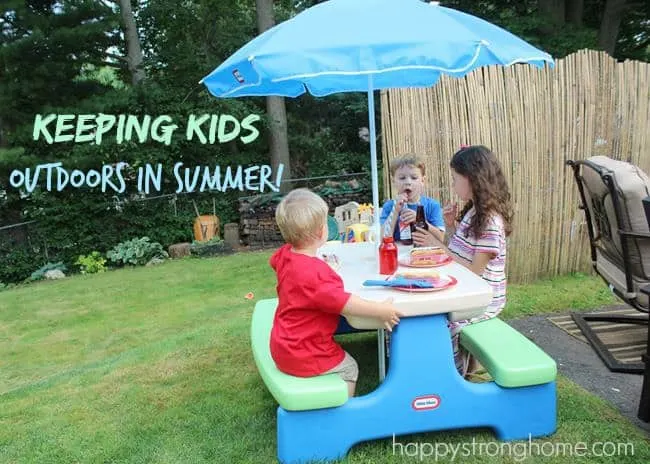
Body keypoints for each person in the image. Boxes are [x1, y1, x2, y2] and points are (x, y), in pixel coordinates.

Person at [270, 188, 403, 397]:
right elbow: (346, 304)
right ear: (321, 231)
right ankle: (343, 413)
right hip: (303, 351)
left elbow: (296, 275)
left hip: (283, 344)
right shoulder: (315, 273)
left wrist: (321, 271)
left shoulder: (285, 254)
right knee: (350, 368)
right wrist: (381, 310)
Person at [412, 145, 513, 377]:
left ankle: (455, 378)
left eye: (456, 179)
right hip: (465, 290)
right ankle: (441, 369)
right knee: (424, 315)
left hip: (481, 299)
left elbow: (474, 272)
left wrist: (438, 246)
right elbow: (463, 250)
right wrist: (450, 227)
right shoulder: (473, 213)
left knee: (446, 326)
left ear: (473, 179)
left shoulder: (490, 221)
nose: (453, 185)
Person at [380, 153, 445, 243]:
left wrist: (420, 220)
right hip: (398, 254)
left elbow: (442, 238)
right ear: (393, 181)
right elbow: (382, 239)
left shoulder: (432, 205)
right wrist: (395, 211)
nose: (408, 182)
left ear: (422, 180)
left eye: (414, 178)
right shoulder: (389, 206)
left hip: (425, 253)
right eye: (402, 178)